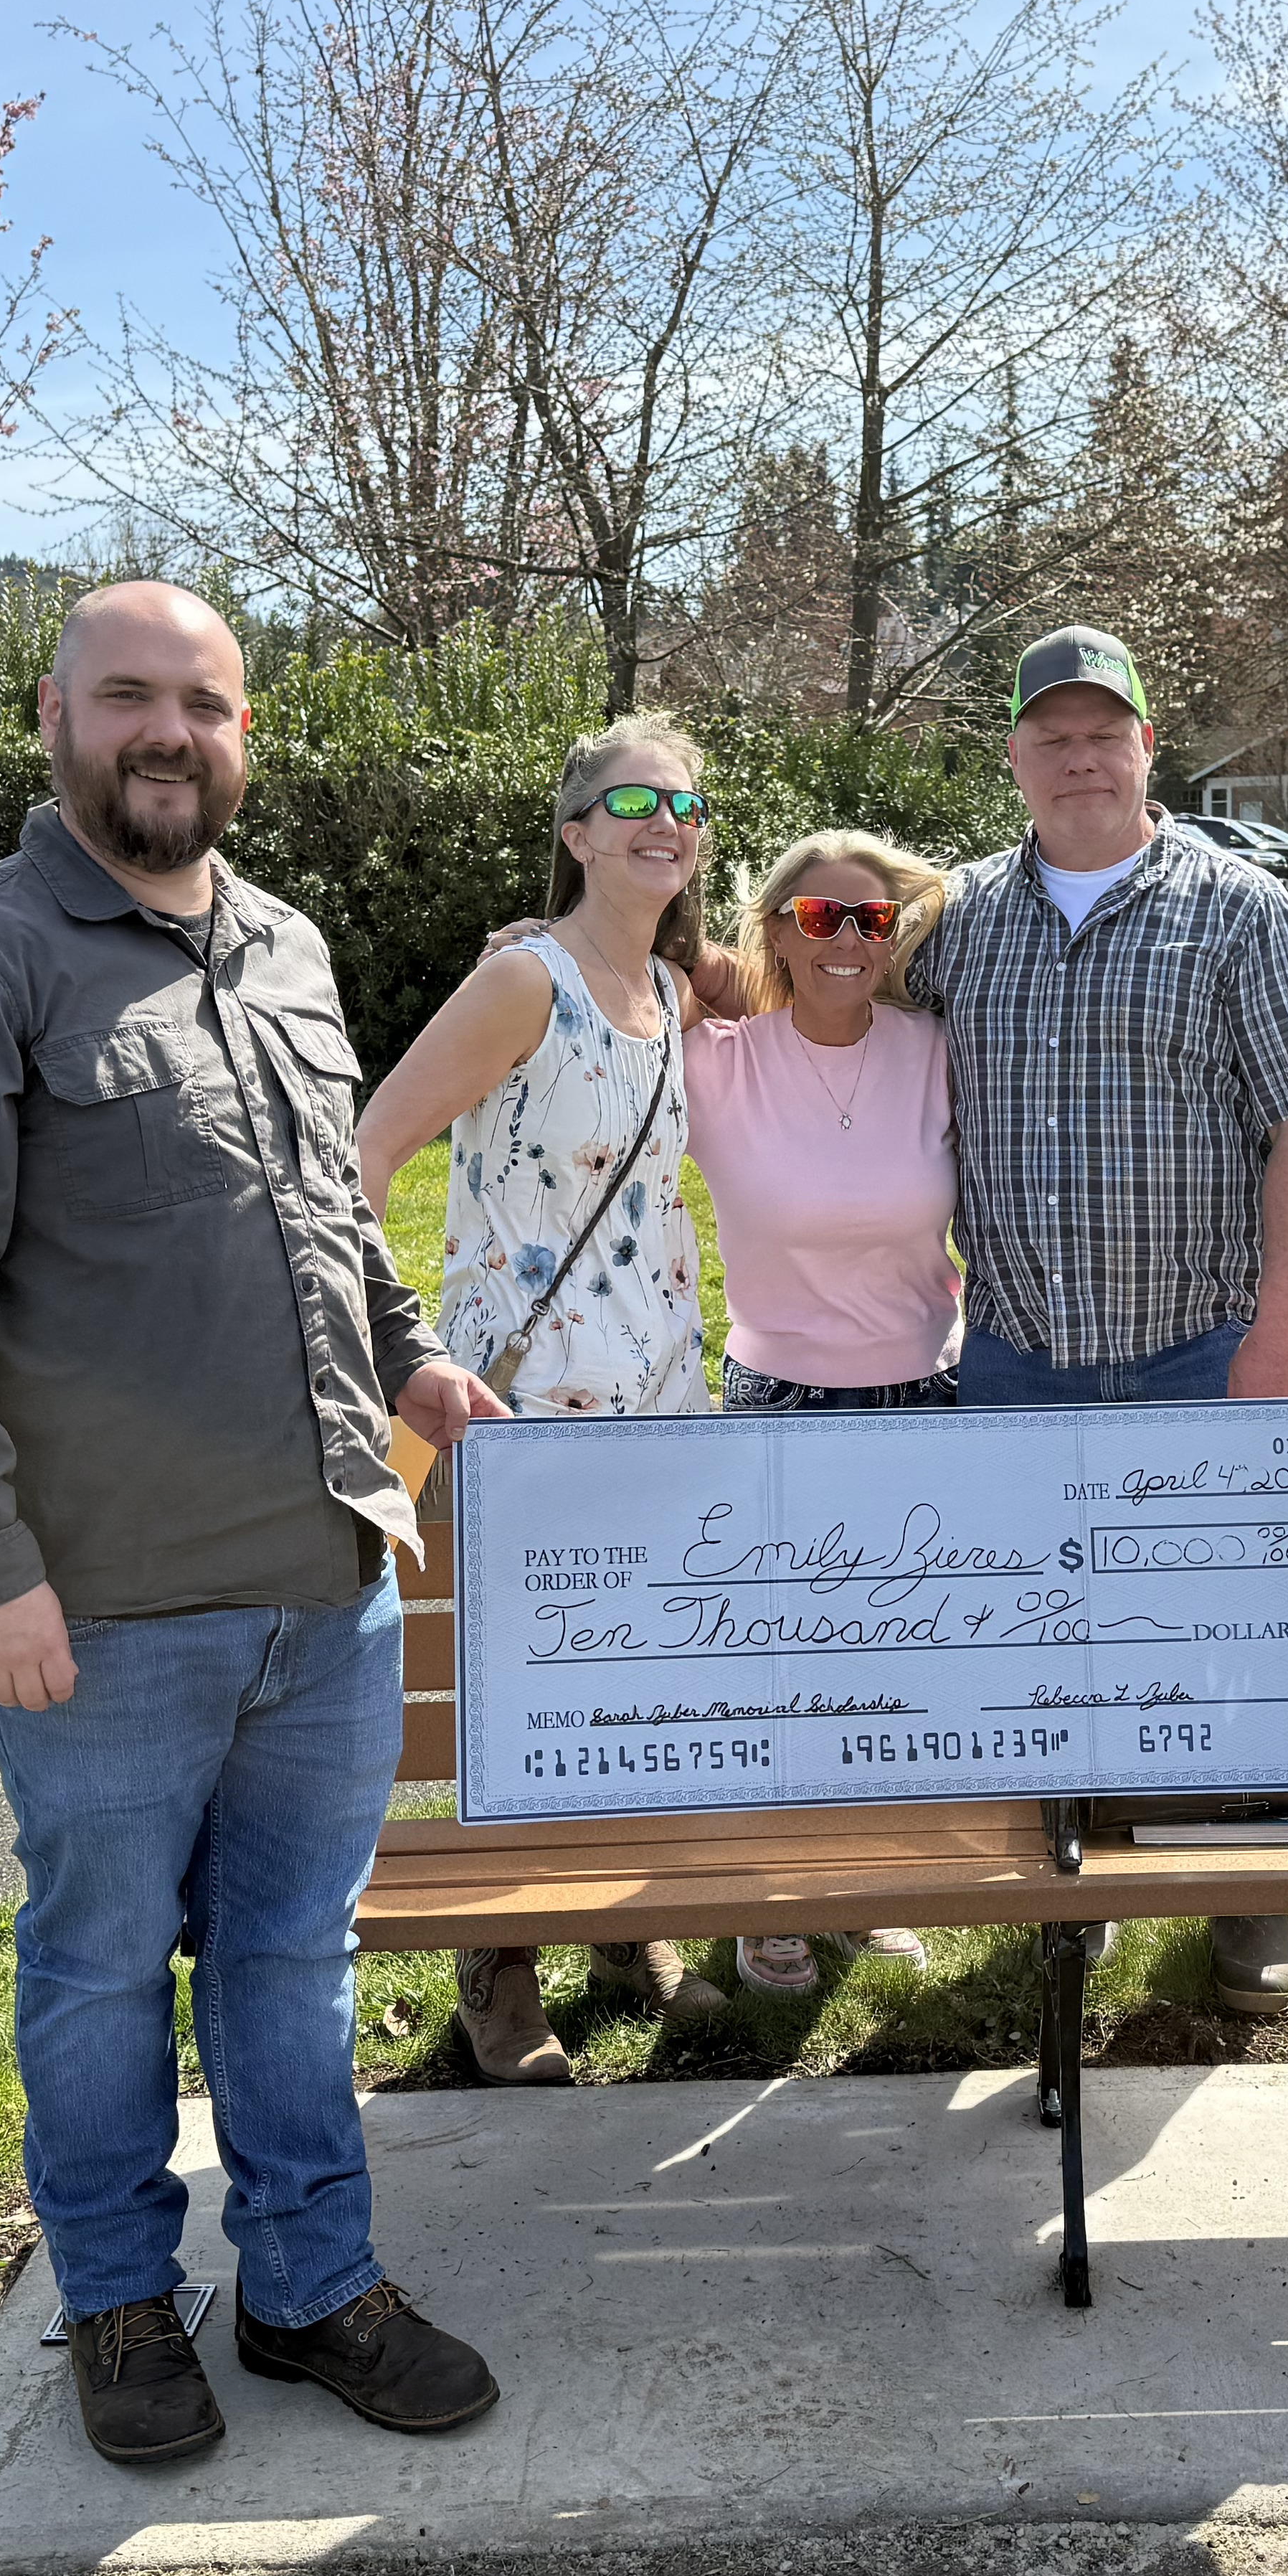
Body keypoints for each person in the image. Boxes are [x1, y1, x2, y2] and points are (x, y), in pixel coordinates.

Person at [0, 579, 508, 2471]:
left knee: (294, 1958)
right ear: (55, 715)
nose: (166, 732)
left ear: (243, 734)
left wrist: (417, 1358)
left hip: (329, 1587)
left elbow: (330, 1218)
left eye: (201, 702)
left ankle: (309, 2280)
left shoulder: (284, 944)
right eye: (129, 696)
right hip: (103, 1615)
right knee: (106, 1964)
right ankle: (120, 2297)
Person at [906, 625, 1288, 2017]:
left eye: (1107, 732)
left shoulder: (1239, 910)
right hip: (1018, 1351)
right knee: (1052, 1636)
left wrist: (1280, 1341)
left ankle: (1244, 1889)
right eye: (1053, 735)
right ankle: (1078, 1877)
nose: (1081, 756)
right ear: (1014, 758)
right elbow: (824, 998)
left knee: (1218, 1625)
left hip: (1200, 1346)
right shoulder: (964, 920)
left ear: (1149, 748)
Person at [360, 712, 730, 2077]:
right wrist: (393, 1347)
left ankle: (628, 1930)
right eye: (631, 800)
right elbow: (368, 1151)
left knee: (642, 1665)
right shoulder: (526, 983)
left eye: (686, 805)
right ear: (577, 833)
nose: (664, 821)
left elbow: (776, 968)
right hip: (520, 1406)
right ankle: (498, 1969)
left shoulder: (674, 993)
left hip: (660, 1390)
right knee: (519, 1682)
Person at [685, 829, 967, 1991]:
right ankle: (771, 1896)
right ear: (778, 936)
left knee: (899, 1663)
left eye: (869, 918)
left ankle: (873, 1882)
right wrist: (528, 943)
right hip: (777, 1396)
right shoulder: (713, 1059)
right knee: (780, 1668)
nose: (846, 939)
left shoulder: (942, 1049)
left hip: (922, 1390)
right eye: (818, 920)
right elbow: (600, 1001)